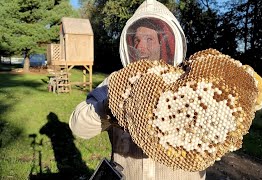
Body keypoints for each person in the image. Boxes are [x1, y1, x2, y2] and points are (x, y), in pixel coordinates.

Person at [69, 0, 206, 179]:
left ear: (163, 43)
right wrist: (112, 106)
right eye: (137, 40)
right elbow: (78, 125)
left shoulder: (191, 81)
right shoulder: (115, 82)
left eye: (150, 39)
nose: (141, 47)